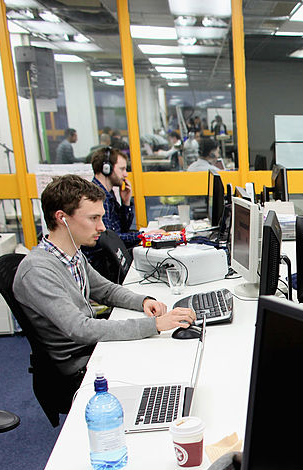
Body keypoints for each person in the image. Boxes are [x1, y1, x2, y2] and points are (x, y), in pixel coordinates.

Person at [13, 175, 195, 395]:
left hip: (91, 347)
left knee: (170, 351)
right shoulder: (38, 271)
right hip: (78, 364)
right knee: (164, 359)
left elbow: (106, 291)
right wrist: (155, 325)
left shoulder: (72, 254)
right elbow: (80, 329)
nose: (102, 227)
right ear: (62, 218)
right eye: (93, 218)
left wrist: (144, 301)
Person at [87, 146, 138, 250]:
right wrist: (142, 236)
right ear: (107, 168)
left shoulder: (108, 193)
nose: (126, 174)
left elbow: (123, 229)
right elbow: (108, 239)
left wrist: (126, 203)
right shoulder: (97, 197)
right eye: (122, 169)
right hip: (103, 260)